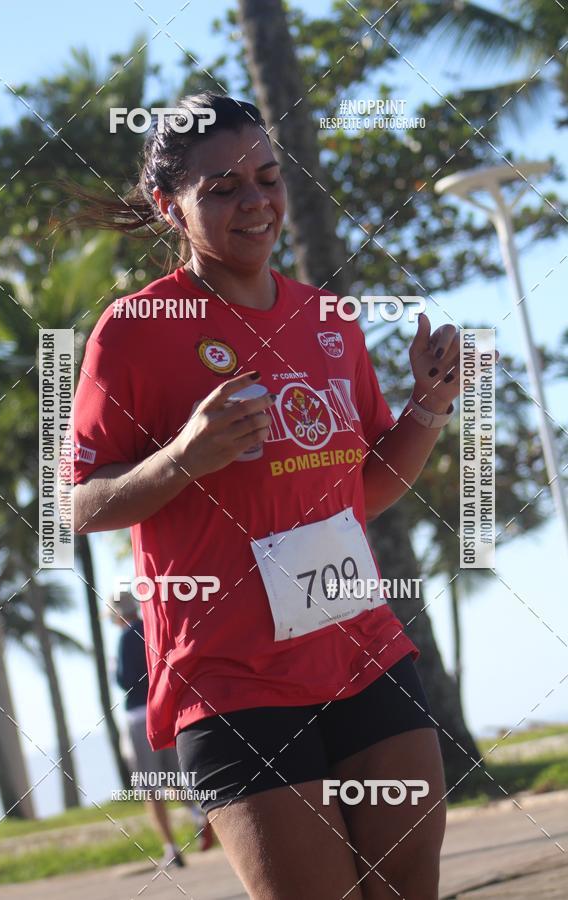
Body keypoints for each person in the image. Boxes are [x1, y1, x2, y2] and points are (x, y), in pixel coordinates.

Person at [67, 91, 463, 899]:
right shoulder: (134, 331)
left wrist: (427, 404)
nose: (256, 203)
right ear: (167, 204)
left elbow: (366, 490)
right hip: (233, 684)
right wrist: (182, 457)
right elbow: (73, 503)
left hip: (365, 654)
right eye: (221, 188)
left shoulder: (330, 320)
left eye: (268, 178)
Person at [108, 589, 213, 868]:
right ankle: (197, 814)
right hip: (163, 711)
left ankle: (171, 847)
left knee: (150, 787)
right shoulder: (152, 628)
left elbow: (123, 679)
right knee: (174, 776)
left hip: (137, 717)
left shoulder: (124, 637)